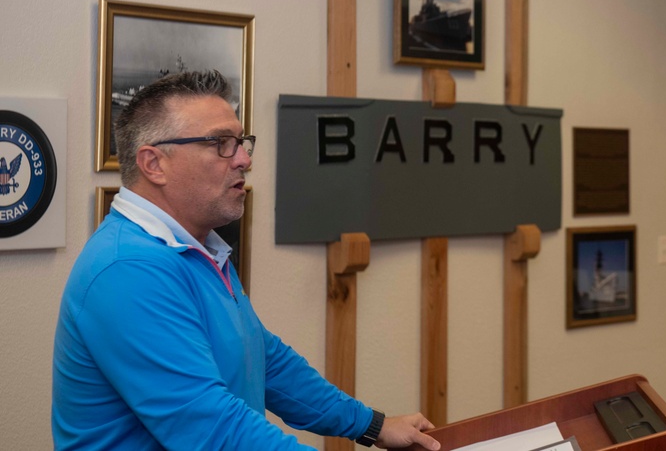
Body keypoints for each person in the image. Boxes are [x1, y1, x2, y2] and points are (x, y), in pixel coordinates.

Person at [52, 70, 440, 451]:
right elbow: (215, 431)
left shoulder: (197, 246)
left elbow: (262, 360)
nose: (243, 160)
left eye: (241, 142)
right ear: (154, 164)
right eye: (220, 143)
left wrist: (373, 425)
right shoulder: (128, 270)